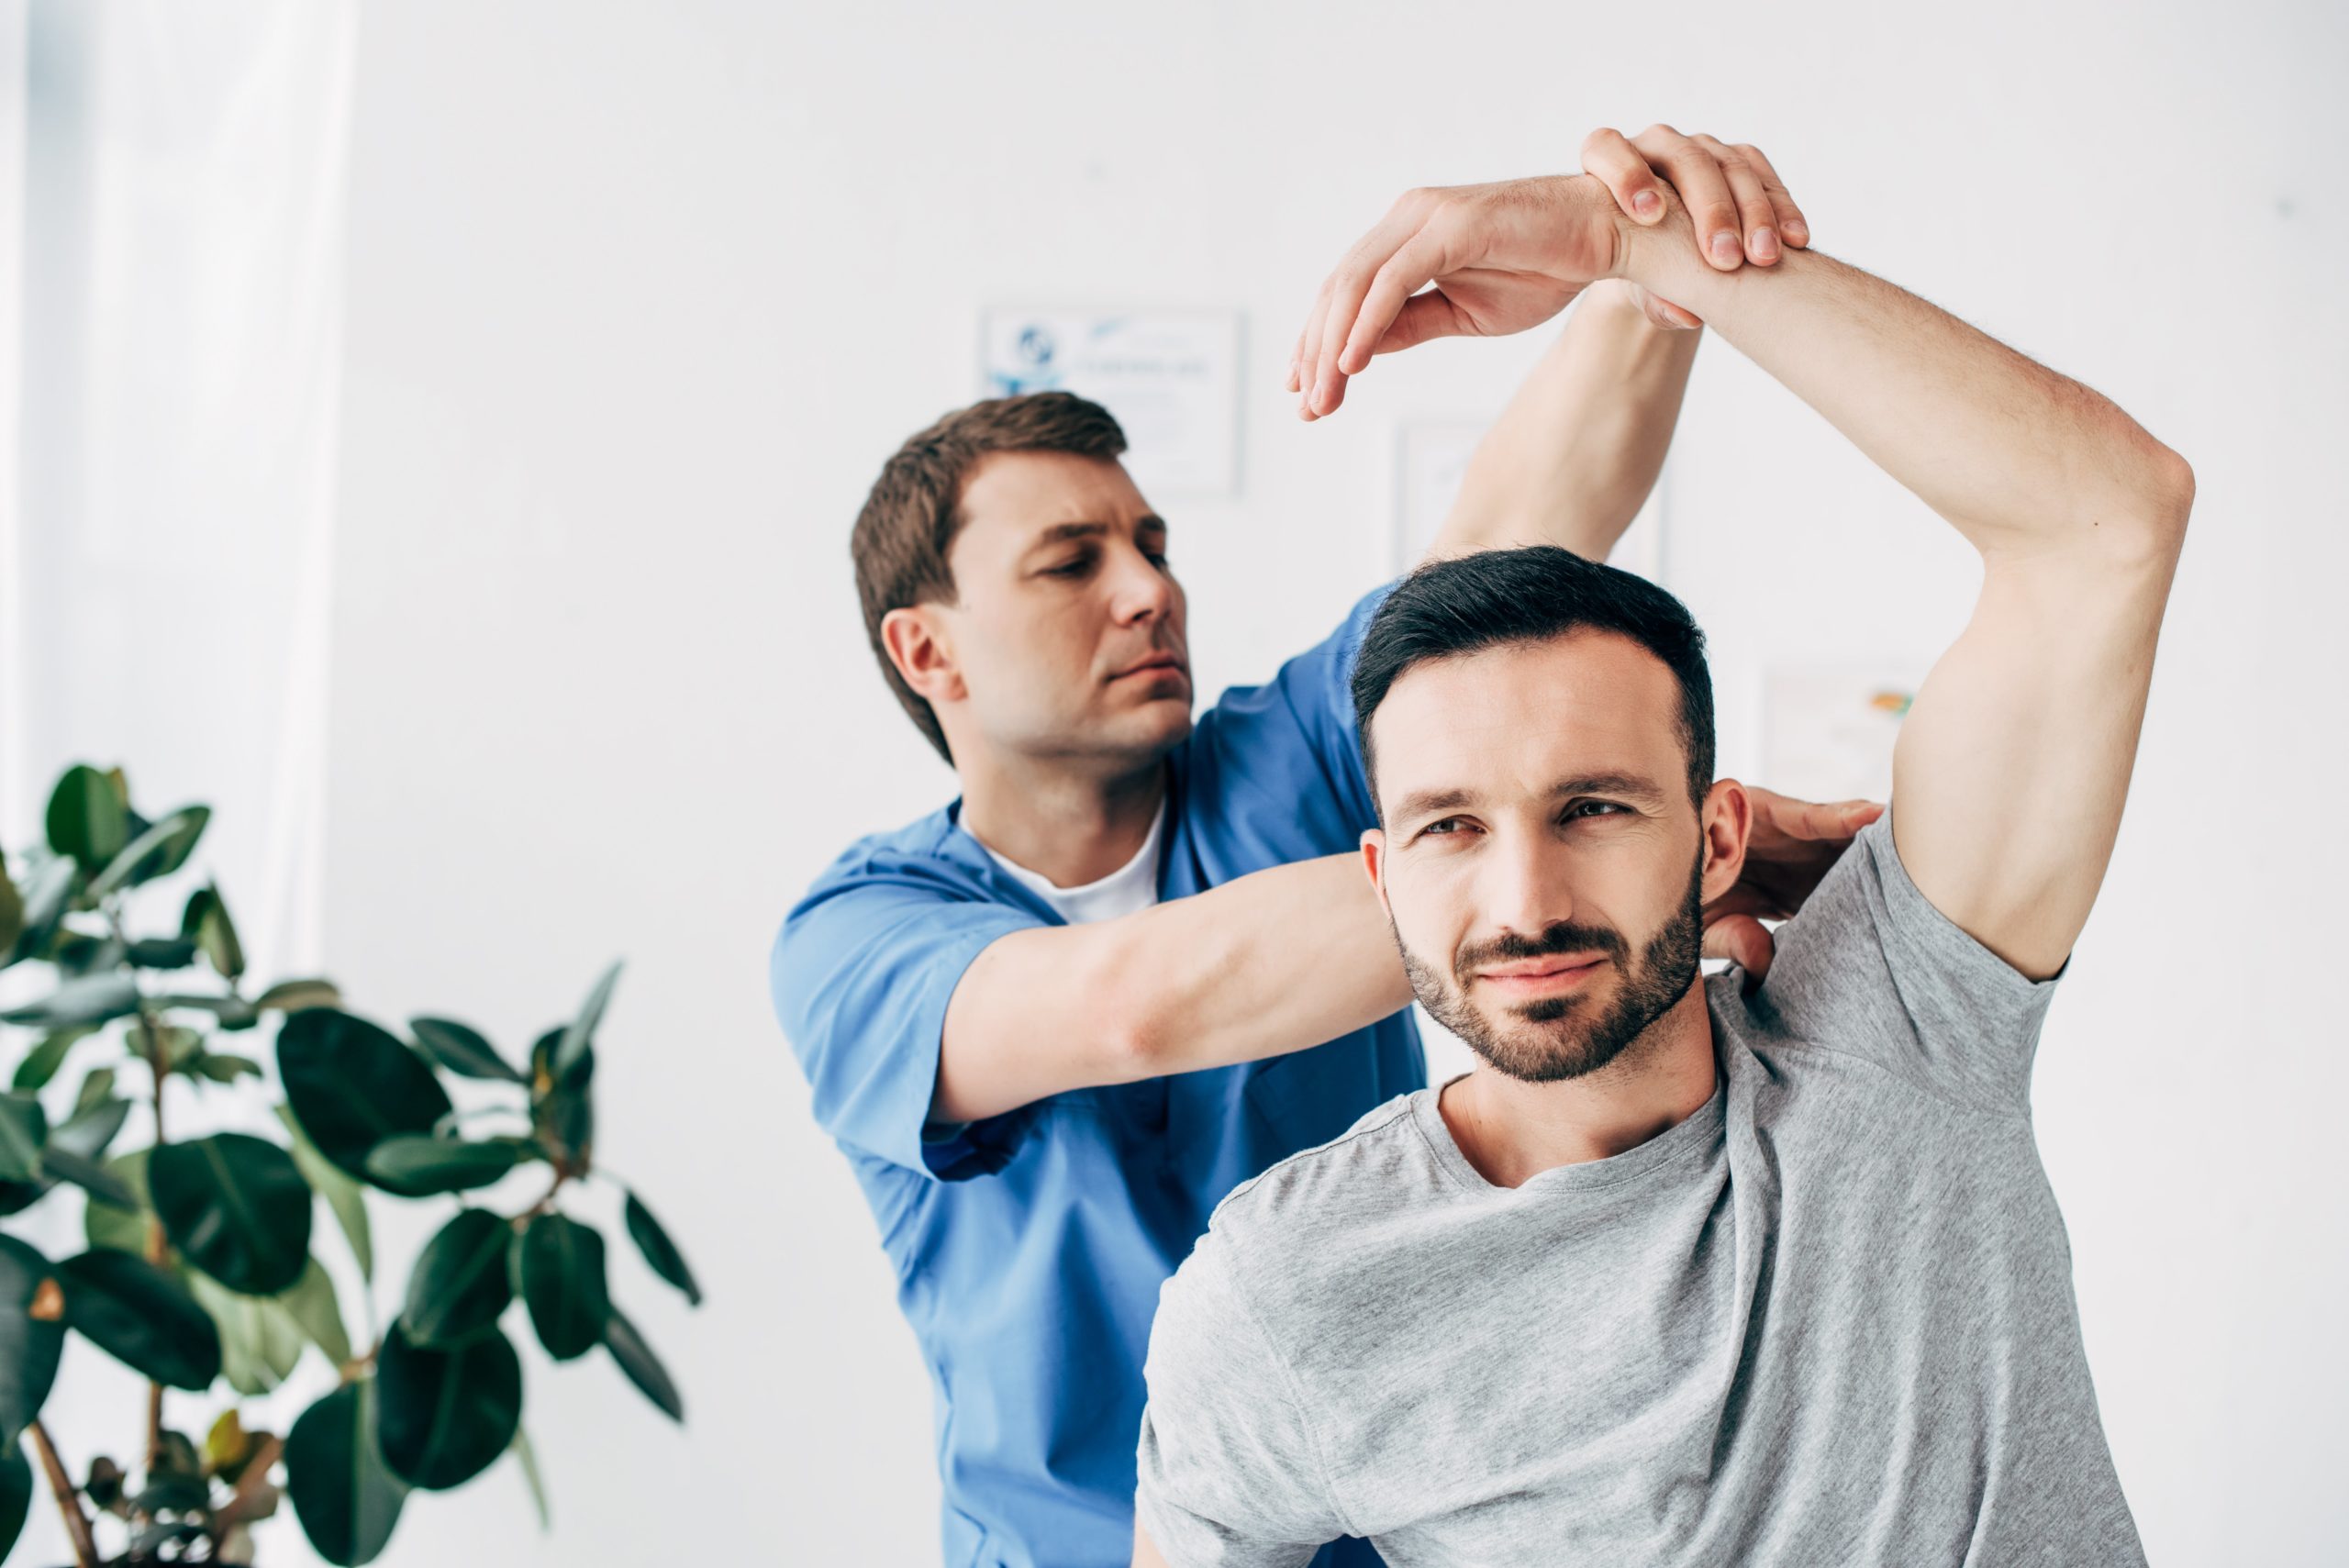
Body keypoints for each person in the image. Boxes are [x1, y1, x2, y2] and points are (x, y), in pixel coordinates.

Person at [772, 130, 1879, 1568]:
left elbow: (1517, 536)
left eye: (1151, 541)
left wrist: (1642, 253)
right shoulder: (860, 933)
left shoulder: (1281, 758)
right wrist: (1636, 863)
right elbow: (1133, 1001)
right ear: (928, 650)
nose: (1147, 589)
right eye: (1072, 561)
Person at [1132, 143, 2192, 1567]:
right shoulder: (1285, 1294)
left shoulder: (1906, 1029)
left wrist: (1640, 251)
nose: (1526, 901)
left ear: (1715, 838)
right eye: (1454, 825)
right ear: (1384, 877)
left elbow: (2106, 519)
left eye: (1595, 807)